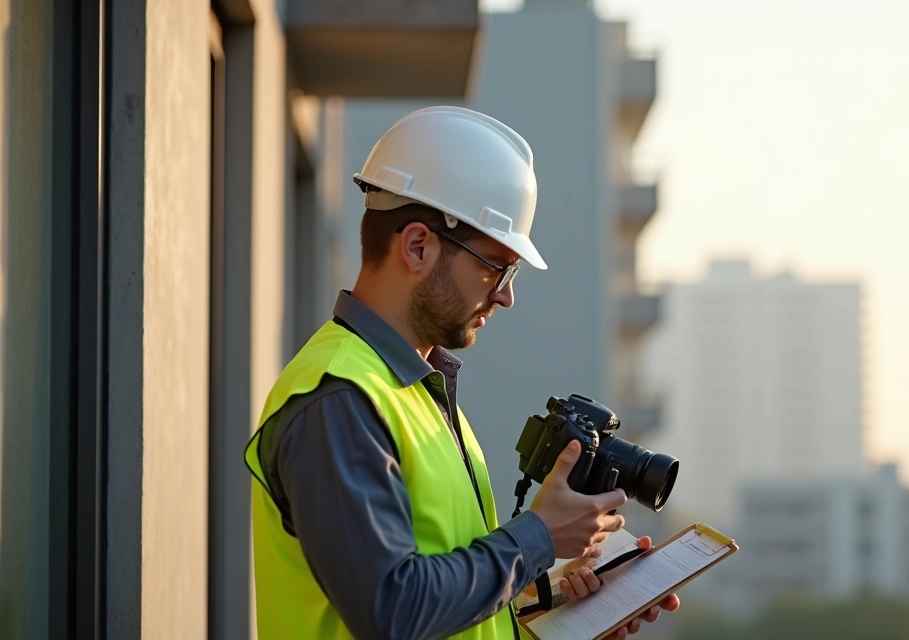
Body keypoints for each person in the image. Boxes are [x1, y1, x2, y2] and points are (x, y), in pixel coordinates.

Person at [244, 106, 678, 640]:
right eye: (495, 266)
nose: (505, 294)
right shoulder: (338, 399)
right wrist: (540, 535)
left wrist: (569, 621)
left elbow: (447, 614)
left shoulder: (420, 394)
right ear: (418, 246)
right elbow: (393, 609)